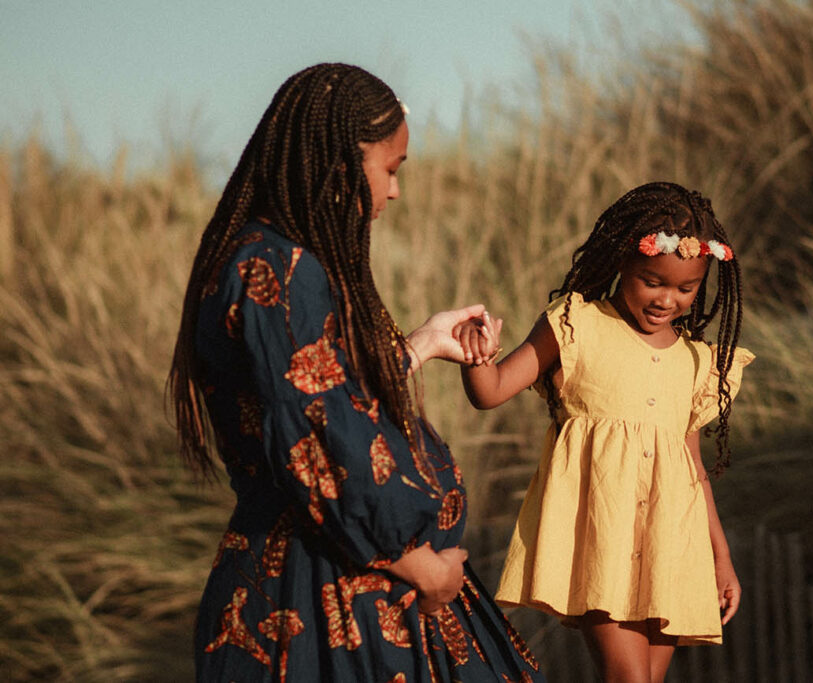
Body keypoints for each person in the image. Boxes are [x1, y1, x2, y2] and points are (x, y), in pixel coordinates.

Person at [168, 63, 544, 682]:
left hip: (330, 576)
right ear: (342, 162)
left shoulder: (265, 261)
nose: (394, 191)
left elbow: (318, 395)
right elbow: (321, 437)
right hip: (326, 593)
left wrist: (419, 344)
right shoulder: (278, 272)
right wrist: (418, 563)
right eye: (390, 169)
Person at [456, 182, 753, 682]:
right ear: (622, 264)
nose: (668, 299)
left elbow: (693, 468)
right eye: (652, 281)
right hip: (599, 544)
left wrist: (720, 560)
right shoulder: (577, 325)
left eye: (686, 288)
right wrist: (477, 357)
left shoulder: (698, 362)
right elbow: (492, 390)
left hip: (671, 548)